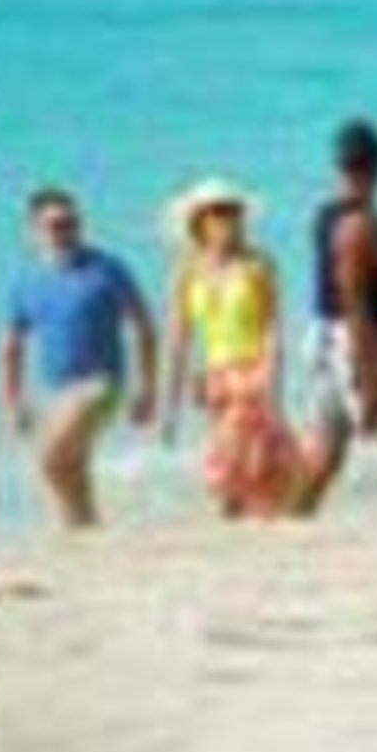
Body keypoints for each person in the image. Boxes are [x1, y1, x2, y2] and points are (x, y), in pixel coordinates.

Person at [0, 186, 157, 532]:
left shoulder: (107, 269)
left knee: (50, 457)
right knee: (71, 466)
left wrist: (147, 388)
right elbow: (12, 345)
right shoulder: (25, 282)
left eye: (72, 223)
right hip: (56, 390)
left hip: (102, 384)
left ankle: (79, 527)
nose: (66, 232)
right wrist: (13, 400)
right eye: (55, 225)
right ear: (34, 231)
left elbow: (144, 326)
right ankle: (84, 531)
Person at [160, 178, 310, 522]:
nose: (228, 218)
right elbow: (179, 339)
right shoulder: (187, 272)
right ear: (199, 222)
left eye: (233, 210)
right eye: (218, 212)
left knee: (244, 460)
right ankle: (245, 525)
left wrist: (273, 382)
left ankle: (240, 521)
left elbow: (273, 328)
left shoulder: (259, 264)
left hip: (253, 372)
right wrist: (170, 405)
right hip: (215, 380)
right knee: (240, 462)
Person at [300, 117, 377, 503]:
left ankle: (290, 523)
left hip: (325, 334)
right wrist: (368, 375)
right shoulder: (361, 226)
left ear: (339, 165)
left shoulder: (325, 214)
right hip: (358, 340)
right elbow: (355, 302)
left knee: (327, 453)